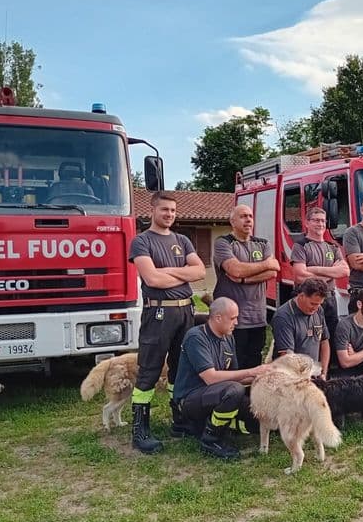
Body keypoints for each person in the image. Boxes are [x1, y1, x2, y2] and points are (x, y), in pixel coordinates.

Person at [128, 191, 206, 454]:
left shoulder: (182, 240)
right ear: (153, 210)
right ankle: (140, 428)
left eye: (173, 210)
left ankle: (179, 420)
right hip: (158, 314)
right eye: (164, 210)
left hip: (185, 312)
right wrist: (182, 276)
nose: (169, 215)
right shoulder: (141, 242)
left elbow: (200, 271)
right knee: (149, 369)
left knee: (180, 368)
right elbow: (152, 280)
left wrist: (168, 272)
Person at [174, 297, 271, 460]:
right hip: (191, 399)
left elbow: (234, 376)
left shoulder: (228, 337)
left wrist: (262, 377)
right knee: (234, 391)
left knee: (259, 416)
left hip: (218, 393)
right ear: (218, 317)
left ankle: (217, 425)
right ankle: (211, 440)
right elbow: (211, 378)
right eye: (233, 318)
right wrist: (251, 371)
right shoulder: (196, 337)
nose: (237, 322)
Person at [213, 204, 280, 369]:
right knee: (232, 362)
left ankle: (250, 394)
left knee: (254, 362)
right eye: (243, 216)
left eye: (250, 216)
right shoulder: (223, 243)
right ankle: (231, 394)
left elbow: (273, 272)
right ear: (232, 221)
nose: (248, 220)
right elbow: (235, 269)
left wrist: (244, 279)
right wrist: (265, 264)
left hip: (257, 317)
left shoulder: (263, 243)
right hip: (232, 320)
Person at [290, 207, 349, 350]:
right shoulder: (301, 246)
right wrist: (332, 272)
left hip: (329, 298)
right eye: (316, 220)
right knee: (311, 336)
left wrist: (313, 269)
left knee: (331, 334)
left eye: (323, 221)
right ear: (307, 223)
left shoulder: (332, 246)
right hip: (308, 298)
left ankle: (330, 369)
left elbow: (345, 271)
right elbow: (300, 275)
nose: (320, 224)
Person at [271, 278, 331, 379]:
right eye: (312, 304)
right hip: (291, 377)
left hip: (313, 374)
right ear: (301, 295)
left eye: (319, 304)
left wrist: (323, 372)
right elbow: (287, 355)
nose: (316, 308)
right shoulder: (283, 317)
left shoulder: (318, 310)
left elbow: (324, 342)